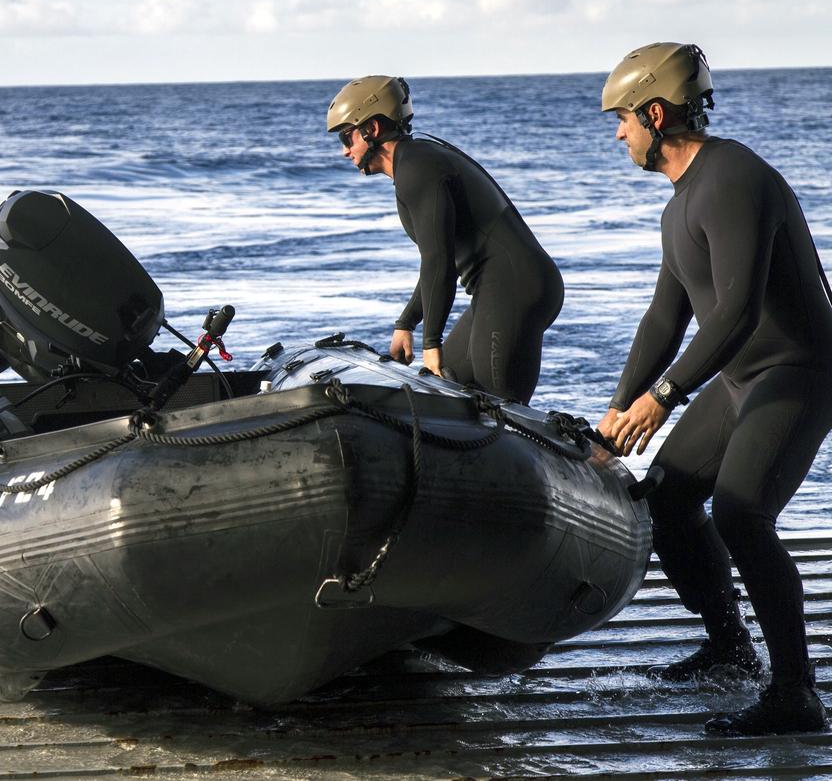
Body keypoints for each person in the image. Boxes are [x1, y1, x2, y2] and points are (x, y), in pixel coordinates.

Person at [596, 42, 832, 736]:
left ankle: (796, 695)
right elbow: (666, 316)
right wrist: (616, 409)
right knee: (667, 494)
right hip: (740, 379)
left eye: (622, 119)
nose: (618, 133)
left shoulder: (733, 179)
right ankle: (730, 644)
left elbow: (734, 312)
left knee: (740, 513)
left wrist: (663, 397)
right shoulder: (681, 203)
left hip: (800, 370)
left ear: (656, 112)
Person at [327, 75, 563, 403]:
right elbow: (441, 261)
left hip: (514, 287)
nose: (344, 151)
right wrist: (407, 322)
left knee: (502, 413)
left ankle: (590, 453)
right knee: (450, 393)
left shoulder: (417, 168)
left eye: (346, 137)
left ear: (373, 129)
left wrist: (431, 344)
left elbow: (438, 262)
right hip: (508, 287)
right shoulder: (413, 162)